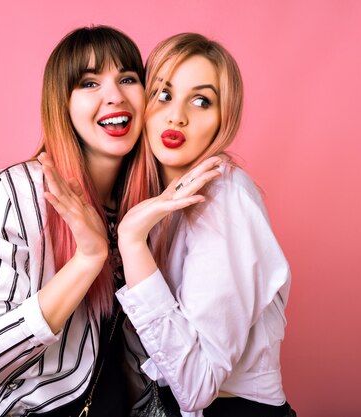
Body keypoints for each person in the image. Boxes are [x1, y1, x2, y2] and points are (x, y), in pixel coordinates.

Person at [0, 25, 152, 417]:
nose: (115, 96)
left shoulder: (144, 212)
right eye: (89, 83)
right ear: (62, 103)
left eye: (127, 78)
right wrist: (88, 259)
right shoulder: (18, 192)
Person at [113, 33, 296, 417]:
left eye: (201, 101)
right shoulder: (160, 201)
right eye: (163, 94)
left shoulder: (224, 197)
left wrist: (131, 240)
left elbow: (196, 386)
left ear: (223, 118)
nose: (177, 115)